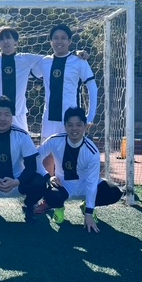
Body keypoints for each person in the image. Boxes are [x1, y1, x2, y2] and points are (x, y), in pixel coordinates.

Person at [0, 25, 90, 132]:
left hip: (19, 114)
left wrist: (75, 52)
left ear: (15, 40)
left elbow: (56, 57)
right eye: (1, 39)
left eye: (8, 38)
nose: (5, 41)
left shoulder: (26, 59)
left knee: (22, 147)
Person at [34, 107, 123, 233]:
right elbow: (35, 158)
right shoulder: (54, 141)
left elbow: (92, 183)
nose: (74, 129)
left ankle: (86, 205)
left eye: (78, 125)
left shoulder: (92, 152)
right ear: (65, 126)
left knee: (114, 193)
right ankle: (59, 208)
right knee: (49, 194)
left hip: (85, 185)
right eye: (70, 125)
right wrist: (48, 176)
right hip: (63, 185)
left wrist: (89, 212)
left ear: (85, 126)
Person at [31, 24, 98, 173]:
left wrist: (90, 116)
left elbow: (92, 88)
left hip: (71, 120)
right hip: (49, 118)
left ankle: (72, 186)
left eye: (63, 38)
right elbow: (27, 72)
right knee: (47, 157)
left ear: (69, 41)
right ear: (50, 41)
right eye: (55, 38)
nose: (59, 41)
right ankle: (49, 186)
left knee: (71, 157)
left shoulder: (79, 61)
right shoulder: (44, 62)